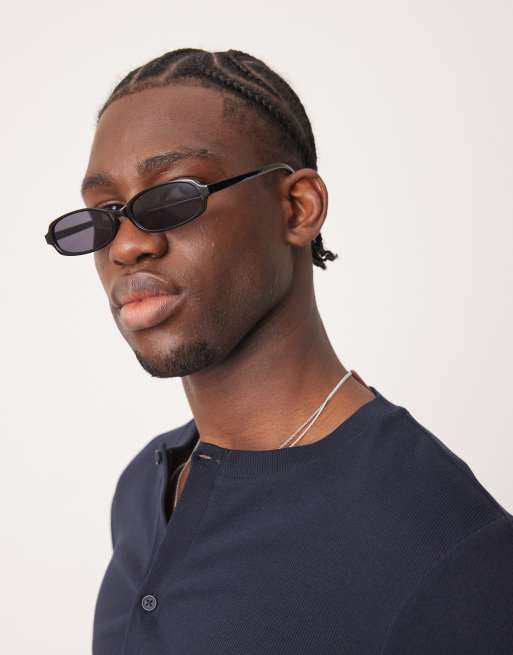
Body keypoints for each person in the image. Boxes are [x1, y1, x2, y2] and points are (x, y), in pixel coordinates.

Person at [45, 48, 513, 654]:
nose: (126, 246)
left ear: (297, 208)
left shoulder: (449, 550)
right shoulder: (145, 488)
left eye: (174, 197)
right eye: (103, 216)